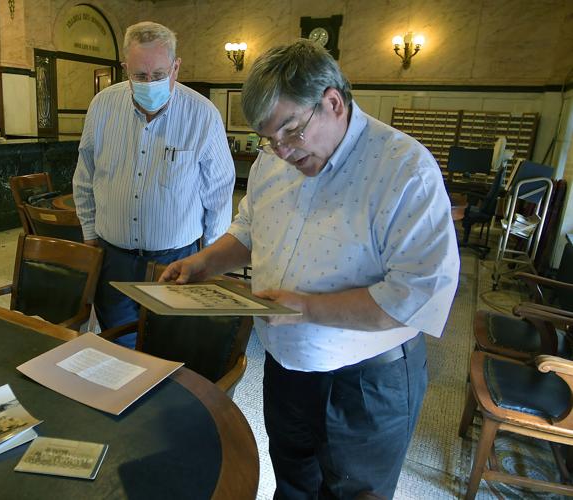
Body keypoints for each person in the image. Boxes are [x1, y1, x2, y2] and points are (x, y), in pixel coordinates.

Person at [161, 40, 460, 499]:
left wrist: (307, 309)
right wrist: (202, 263)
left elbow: (416, 296)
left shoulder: (405, 169)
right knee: (294, 484)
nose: (280, 150)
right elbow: (249, 230)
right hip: (286, 365)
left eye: (291, 131)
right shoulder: (273, 159)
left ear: (333, 102)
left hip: (366, 382)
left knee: (353, 492)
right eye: (268, 138)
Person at [73, 21, 235, 347]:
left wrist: (212, 259)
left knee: (168, 344)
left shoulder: (202, 115)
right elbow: (85, 177)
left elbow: (219, 192)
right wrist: (90, 236)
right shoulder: (102, 107)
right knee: (119, 344)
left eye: (159, 75)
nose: (150, 84)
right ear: (125, 69)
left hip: (175, 258)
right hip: (113, 255)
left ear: (175, 67)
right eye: (140, 76)